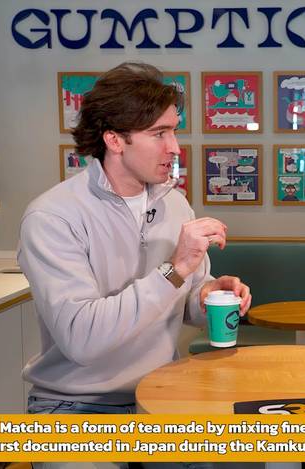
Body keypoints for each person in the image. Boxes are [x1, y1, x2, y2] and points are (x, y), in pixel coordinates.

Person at [18, 62, 251, 469]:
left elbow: (184, 302)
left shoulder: (174, 204)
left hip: (159, 397)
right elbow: (82, 340)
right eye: (159, 134)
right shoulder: (52, 217)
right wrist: (175, 270)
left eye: (174, 131)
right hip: (73, 408)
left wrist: (208, 294)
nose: (175, 147)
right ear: (114, 140)